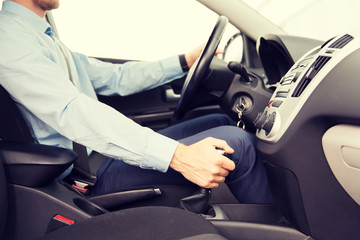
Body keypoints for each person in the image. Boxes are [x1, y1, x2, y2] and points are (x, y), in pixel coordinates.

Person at [0, 0, 273, 203]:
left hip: (100, 155)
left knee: (221, 121)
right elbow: (71, 111)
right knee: (238, 144)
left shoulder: (43, 36)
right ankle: (281, 228)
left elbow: (115, 77)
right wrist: (179, 156)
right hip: (83, 177)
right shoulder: (10, 37)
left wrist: (185, 61)